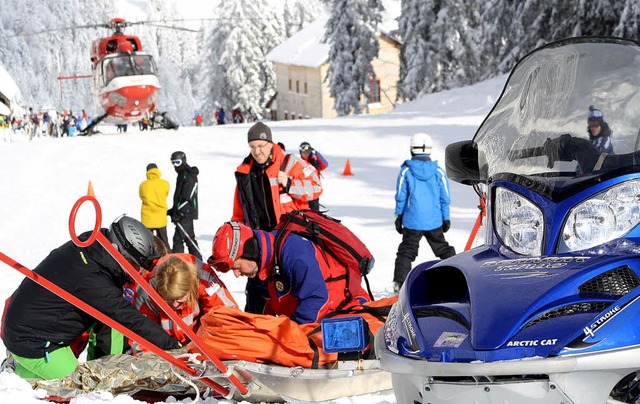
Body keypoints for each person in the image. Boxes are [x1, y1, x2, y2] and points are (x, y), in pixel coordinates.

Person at [1, 215, 180, 380]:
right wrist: (172, 346)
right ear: (119, 253)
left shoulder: (94, 247)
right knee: (80, 387)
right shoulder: (93, 278)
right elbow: (129, 318)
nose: (138, 273)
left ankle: (22, 371)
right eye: (134, 265)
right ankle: (17, 373)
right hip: (33, 341)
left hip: (36, 327)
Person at [209, 221, 370, 324]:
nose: (237, 274)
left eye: (237, 267)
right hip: (314, 320)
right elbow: (257, 317)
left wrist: (290, 334)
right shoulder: (258, 272)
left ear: (249, 252)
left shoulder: (294, 254)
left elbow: (316, 298)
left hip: (344, 311)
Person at [393, 133, 456, 294]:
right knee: (443, 249)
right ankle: (458, 275)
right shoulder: (438, 171)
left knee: (407, 251)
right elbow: (445, 197)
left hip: (412, 221)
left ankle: (399, 283)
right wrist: (445, 217)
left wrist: (398, 216)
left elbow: (401, 196)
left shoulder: (406, 170)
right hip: (433, 220)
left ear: (411, 150)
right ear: (429, 150)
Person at [231, 121, 322, 231]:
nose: (256, 152)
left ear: (270, 144)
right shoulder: (245, 173)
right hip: (261, 238)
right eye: (252, 147)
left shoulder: (290, 163)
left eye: (260, 146)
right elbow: (238, 214)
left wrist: (290, 184)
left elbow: (316, 186)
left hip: (292, 236)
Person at [135, 254, 238, 346]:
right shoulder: (147, 293)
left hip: (202, 342)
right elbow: (142, 338)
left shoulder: (204, 280)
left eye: (180, 300)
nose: (175, 305)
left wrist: (207, 342)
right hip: (167, 346)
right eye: (169, 300)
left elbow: (228, 317)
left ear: (191, 287)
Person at [168, 151, 202, 260]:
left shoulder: (189, 175)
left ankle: (178, 263)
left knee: (178, 239)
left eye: (177, 163)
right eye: (173, 163)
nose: (175, 166)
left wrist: (180, 212)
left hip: (186, 213)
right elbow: (180, 196)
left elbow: (188, 197)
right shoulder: (182, 175)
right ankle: (199, 263)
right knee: (189, 238)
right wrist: (174, 210)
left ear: (183, 161)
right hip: (183, 213)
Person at [139, 163, 170, 250]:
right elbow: (166, 194)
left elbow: (141, 196)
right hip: (161, 217)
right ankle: (168, 258)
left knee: (148, 242)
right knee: (164, 241)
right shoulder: (165, 184)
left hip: (147, 217)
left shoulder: (143, 185)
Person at [299, 142, 328, 210]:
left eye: (308, 152)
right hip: (303, 194)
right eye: (304, 152)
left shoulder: (314, 162)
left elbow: (324, 164)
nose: (306, 154)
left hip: (314, 194)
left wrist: (316, 153)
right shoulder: (299, 163)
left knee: (315, 215)